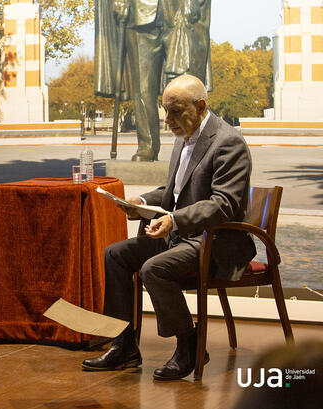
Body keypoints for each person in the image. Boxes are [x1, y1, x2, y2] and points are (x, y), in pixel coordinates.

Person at [82, 74, 256, 380]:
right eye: (166, 110)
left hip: (216, 241)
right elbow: (174, 191)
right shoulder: (184, 139)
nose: (168, 119)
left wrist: (174, 219)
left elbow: (224, 204)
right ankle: (123, 345)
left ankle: (188, 345)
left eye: (176, 111)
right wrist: (142, 202)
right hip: (184, 236)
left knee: (154, 269)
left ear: (201, 105)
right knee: (115, 255)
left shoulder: (229, 142)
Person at [95, 0, 211, 161]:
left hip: (180, 10)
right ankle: (147, 146)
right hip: (139, 12)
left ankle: (192, 147)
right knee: (142, 88)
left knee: (186, 87)